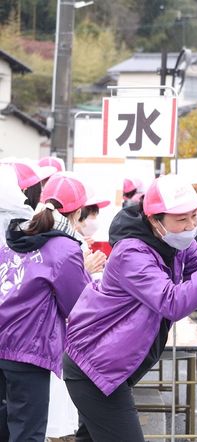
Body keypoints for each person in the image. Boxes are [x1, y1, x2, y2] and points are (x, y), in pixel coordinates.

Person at [62, 174, 197, 441]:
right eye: (181, 219)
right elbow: (172, 302)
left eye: (193, 216)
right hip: (94, 366)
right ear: (154, 220)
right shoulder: (131, 253)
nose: (191, 225)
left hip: (108, 364)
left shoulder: (177, 244)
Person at [0, 172, 94, 441]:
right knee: (27, 433)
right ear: (78, 213)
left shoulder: (16, 233)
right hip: (27, 349)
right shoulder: (64, 248)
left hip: (4, 339)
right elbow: (78, 305)